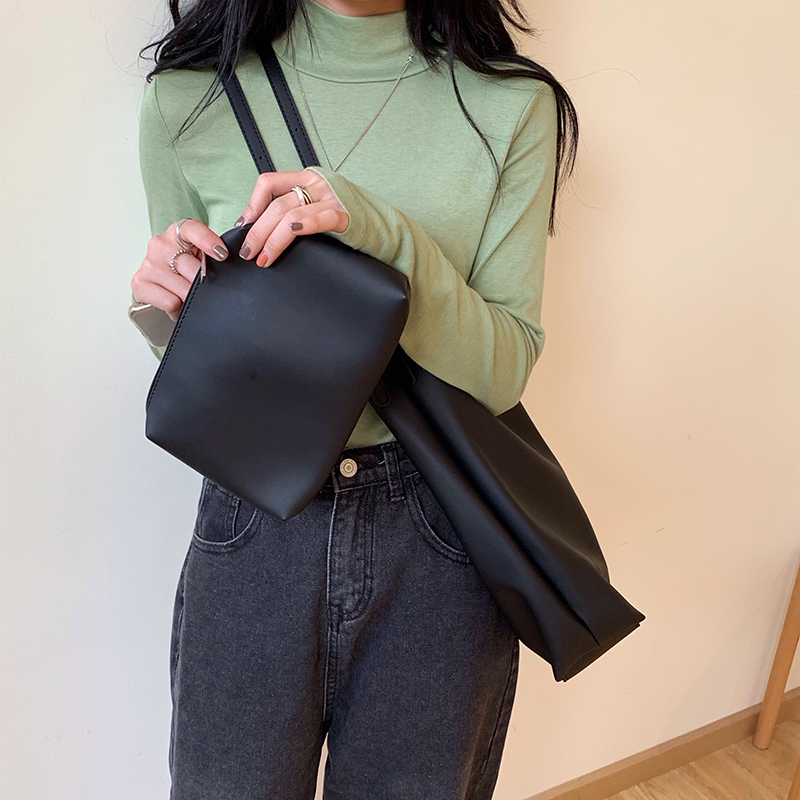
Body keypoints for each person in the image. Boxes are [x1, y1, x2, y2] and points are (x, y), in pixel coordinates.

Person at [132, 0, 577, 797]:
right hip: (255, 520)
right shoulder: (189, 97)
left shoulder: (509, 103)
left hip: (437, 527)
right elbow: (215, 365)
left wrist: (381, 232)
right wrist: (164, 307)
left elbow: (503, 369)